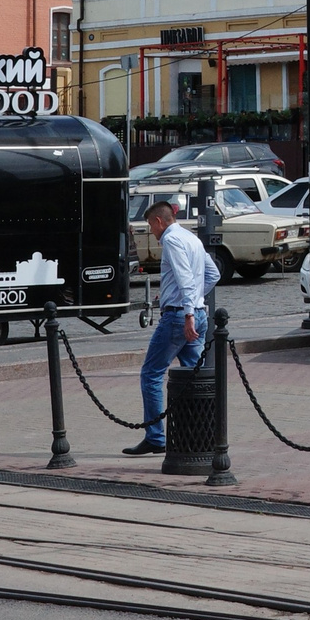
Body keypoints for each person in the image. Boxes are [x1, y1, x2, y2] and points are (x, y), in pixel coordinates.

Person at [124, 195, 218, 459]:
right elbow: (212, 275)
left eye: (151, 228)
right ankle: (198, 434)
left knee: (151, 373)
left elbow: (186, 279)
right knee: (193, 377)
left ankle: (156, 437)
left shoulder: (172, 239)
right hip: (197, 313)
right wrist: (195, 303)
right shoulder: (192, 238)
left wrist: (187, 310)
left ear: (158, 221)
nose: (152, 234)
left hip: (180, 318)